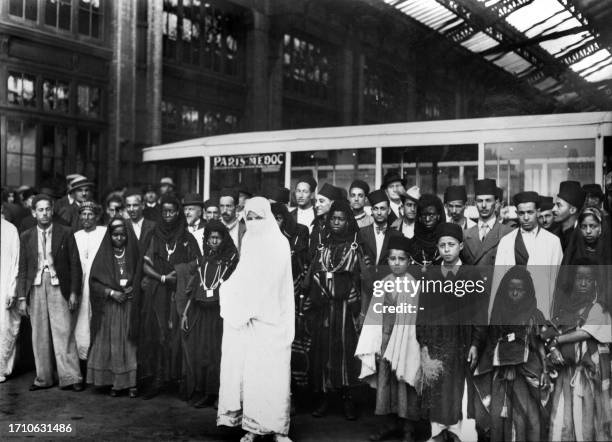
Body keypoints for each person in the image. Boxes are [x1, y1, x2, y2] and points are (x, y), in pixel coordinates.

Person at [217, 197, 294, 442]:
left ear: (267, 218)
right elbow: (244, 274)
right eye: (248, 218)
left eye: (257, 218)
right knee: (253, 375)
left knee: (275, 374)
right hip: (252, 320)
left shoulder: (279, 243)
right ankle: (252, 427)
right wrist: (228, 289)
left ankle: (278, 429)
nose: (253, 223)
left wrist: (251, 300)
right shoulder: (248, 240)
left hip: (274, 318)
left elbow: (274, 281)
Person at [416, 223, 485, 442]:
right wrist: (424, 344)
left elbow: (480, 314)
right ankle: (437, 432)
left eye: (451, 245)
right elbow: (422, 313)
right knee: (437, 385)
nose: (447, 249)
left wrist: (475, 343)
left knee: (459, 386)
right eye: (442, 245)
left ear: (461, 246)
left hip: (462, 340)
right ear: (437, 248)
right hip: (437, 340)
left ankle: (458, 432)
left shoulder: (472, 275)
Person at [356, 235, 422, 442]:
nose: (396, 263)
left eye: (401, 259)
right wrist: (375, 343)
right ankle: (392, 422)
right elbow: (375, 314)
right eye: (392, 259)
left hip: (406, 340)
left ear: (409, 261)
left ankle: (408, 427)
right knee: (388, 382)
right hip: (386, 339)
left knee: (405, 380)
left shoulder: (413, 285)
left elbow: (414, 318)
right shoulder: (384, 283)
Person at [17, 194, 83, 391]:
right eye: (40, 210)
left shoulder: (66, 232)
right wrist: (22, 297)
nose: (44, 213)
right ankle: (44, 378)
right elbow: (22, 269)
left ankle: (71, 377)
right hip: (36, 286)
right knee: (39, 335)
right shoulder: (26, 236)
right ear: (33, 213)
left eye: (47, 209)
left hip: (58, 286)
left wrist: (73, 293)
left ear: (52, 210)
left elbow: (75, 265)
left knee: (64, 331)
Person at [306, 200, 364, 420]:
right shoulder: (323, 246)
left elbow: (360, 279)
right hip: (324, 310)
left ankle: (348, 399)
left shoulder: (354, 247)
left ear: (348, 222)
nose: (336, 222)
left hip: (345, 312)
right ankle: (324, 398)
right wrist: (319, 292)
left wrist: (351, 297)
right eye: (333, 219)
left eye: (341, 219)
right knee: (323, 354)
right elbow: (314, 276)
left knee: (346, 353)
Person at [477, 266, 550, 442]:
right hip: (501, 374)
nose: (515, 293)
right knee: (499, 418)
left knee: (526, 417)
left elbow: (541, 344)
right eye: (511, 289)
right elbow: (492, 344)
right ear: (504, 290)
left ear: (528, 291)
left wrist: (545, 370)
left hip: (527, 373)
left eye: (520, 290)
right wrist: (505, 364)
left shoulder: (534, 314)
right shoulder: (498, 314)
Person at [139, 195, 201, 399]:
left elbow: (197, 263)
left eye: (172, 211)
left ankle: (178, 379)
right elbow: (144, 264)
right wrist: (162, 277)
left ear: (178, 212)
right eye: (164, 211)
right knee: (157, 333)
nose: (168, 215)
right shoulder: (153, 235)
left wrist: (178, 272)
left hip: (179, 292)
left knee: (177, 334)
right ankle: (158, 378)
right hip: (157, 292)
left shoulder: (186, 237)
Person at [546, 260, 612, 441]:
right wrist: (553, 347)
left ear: (595, 283)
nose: (583, 283)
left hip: (590, 376)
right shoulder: (566, 309)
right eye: (579, 278)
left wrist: (556, 340)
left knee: (588, 424)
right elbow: (549, 333)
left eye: (588, 279)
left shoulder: (600, 308)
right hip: (567, 373)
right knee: (564, 422)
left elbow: (585, 332)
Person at [181, 220, 238, 408]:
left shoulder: (231, 260)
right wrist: (186, 313)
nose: (214, 241)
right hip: (203, 313)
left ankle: (219, 393)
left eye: (217, 238)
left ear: (224, 239)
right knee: (204, 351)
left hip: (222, 314)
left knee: (218, 353)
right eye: (211, 238)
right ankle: (206, 391)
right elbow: (194, 287)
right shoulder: (203, 260)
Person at [87, 217, 141, 397]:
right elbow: (94, 282)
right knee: (112, 344)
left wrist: (135, 288)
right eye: (115, 235)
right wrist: (111, 292)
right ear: (109, 236)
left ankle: (131, 384)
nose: (119, 238)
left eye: (122, 235)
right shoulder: (103, 255)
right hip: (110, 308)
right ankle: (114, 382)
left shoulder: (134, 254)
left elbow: (142, 276)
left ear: (128, 235)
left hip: (130, 307)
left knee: (129, 343)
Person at [491, 191, 563, 319]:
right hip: (510, 311)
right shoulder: (506, 242)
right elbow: (497, 282)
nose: (525, 218)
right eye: (521, 213)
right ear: (516, 214)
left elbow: (558, 282)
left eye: (530, 212)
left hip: (542, 310)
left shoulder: (553, 242)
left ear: (538, 211)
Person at [271, 202, 311, 398]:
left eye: (278, 218)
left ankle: (293, 393)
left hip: (293, 301)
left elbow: (303, 269)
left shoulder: (298, 234)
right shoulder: (262, 239)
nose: (275, 223)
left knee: (293, 346)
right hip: (270, 304)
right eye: (272, 219)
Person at [73, 202, 107, 362]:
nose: (86, 218)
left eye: (90, 214)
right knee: (81, 319)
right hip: (80, 283)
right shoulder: (76, 236)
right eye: (83, 214)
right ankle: (82, 359)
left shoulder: (103, 233)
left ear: (97, 216)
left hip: (98, 282)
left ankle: (97, 360)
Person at [0, 215, 21, 382]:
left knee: (4, 327)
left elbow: (16, 262)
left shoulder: (10, 229)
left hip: (4, 286)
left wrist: (12, 290)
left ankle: (1, 368)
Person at [405, 194, 445, 274]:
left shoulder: (446, 244)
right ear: (419, 217)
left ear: (438, 216)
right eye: (423, 215)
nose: (427, 219)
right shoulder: (411, 245)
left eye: (431, 215)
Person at [309, 183, 344, 257]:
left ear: (332, 203)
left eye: (321, 201)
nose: (316, 205)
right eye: (316, 201)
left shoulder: (342, 227)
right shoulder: (317, 226)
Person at [551, 180, 586, 251]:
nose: (553, 209)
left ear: (572, 210)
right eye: (555, 204)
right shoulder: (553, 235)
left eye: (559, 205)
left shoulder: (583, 237)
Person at [219, 188, 246, 253]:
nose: (224, 210)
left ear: (236, 207)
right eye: (222, 206)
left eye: (228, 206)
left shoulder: (244, 230)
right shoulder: (212, 228)